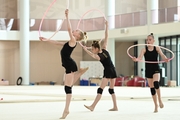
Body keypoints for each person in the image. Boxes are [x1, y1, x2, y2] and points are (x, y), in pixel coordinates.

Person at [39, 9, 88, 119]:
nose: (73, 31)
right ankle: (80, 73)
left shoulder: (73, 41)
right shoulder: (69, 42)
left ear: (77, 36)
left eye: (76, 31)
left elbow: (69, 29)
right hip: (68, 64)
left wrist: (67, 16)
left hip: (70, 65)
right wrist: (46, 39)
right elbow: (57, 43)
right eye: (75, 30)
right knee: (68, 86)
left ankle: (66, 110)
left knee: (67, 88)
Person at [82, 20, 118, 112]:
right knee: (111, 90)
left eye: (93, 49)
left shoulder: (99, 56)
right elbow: (106, 36)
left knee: (100, 89)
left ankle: (93, 106)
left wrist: (86, 49)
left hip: (108, 71)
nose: (93, 50)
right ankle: (115, 106)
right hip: (113, 70)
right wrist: (106, 25)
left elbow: (92, 55)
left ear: (97, 49)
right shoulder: (104, 49)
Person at [132, 33, 169, 113]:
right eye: (147, 40)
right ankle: (155, 105)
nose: (148, 41)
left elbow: (162, 55)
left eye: (150, 40)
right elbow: (140, 57)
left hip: (156, 69)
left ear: (153, 41)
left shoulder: (157, 48)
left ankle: (160, 100)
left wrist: (166, 59)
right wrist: (136, 59)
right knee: (152, 89)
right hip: (148, 70)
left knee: (156, 83)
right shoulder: (144, 49)